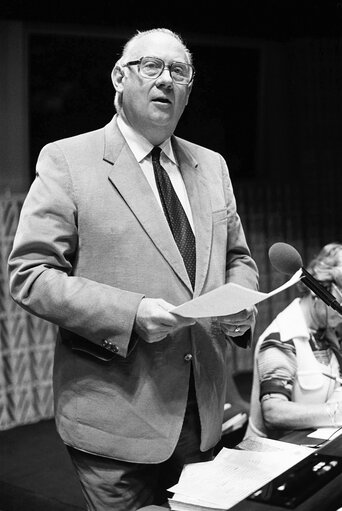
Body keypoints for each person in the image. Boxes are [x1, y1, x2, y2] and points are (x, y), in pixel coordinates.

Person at [8, 27, 259, 510]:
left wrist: (240, 304)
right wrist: (132, 311)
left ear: (189, 89)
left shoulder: (213, 166)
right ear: (119, 77)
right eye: (151, 66)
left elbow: (238, 259)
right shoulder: (67, 160)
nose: (166, 79)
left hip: (202, 411)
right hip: (113, 416)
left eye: (179, 71)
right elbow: (30, 273)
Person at [246, 242, 342, 440]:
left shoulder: (328, 331)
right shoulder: (282, 338)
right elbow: (274, 413)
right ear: (319, 292)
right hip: (280, 458)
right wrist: (334, 414)